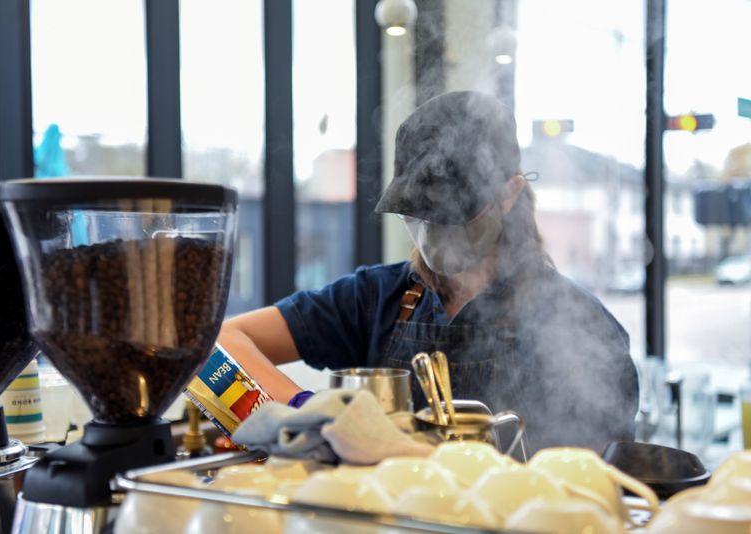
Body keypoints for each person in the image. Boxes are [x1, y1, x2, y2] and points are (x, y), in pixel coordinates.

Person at [219, 91, 638, 455]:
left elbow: (594, 486)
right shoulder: (375, 298)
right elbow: (222, 342)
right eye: (416, 212)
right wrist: (304, 411)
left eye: (452, 213)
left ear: (508, 194)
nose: (431, 233)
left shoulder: (582, 330)